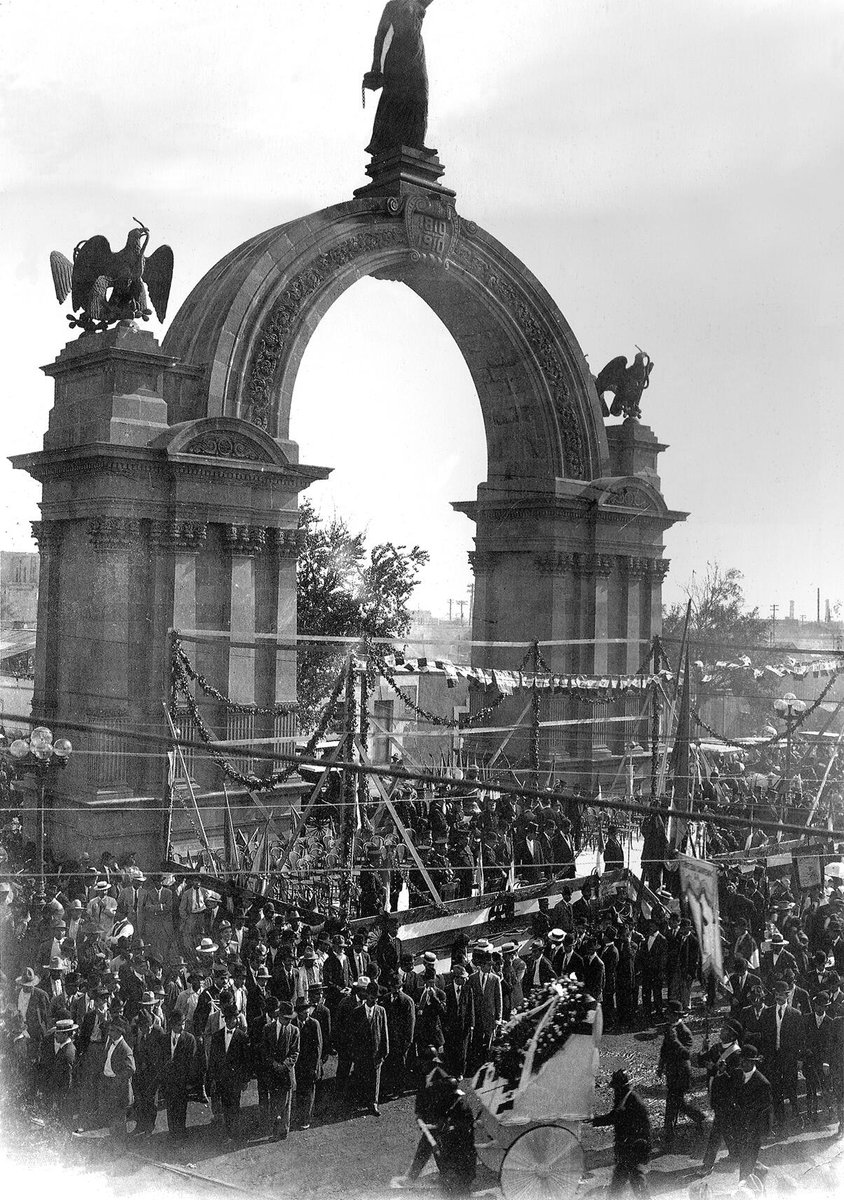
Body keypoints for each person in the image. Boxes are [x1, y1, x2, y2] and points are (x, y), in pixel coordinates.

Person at [363, 0, 437, 161]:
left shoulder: (420, 1)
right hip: (397, 55)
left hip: (416, 55)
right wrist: (376, 64)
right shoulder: (392, 5)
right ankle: (384, 142)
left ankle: (416, 141)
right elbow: (380, 35)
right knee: (395, 97)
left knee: (420, 96)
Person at [592, 1069, 652, 1196]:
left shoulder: (629, 1099)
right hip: (629, 1145)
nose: (614, 1090)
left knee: (631, 1177)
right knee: (624, 1177)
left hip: (633, 1145)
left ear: (620, 1086)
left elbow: (615, 1117)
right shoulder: (627, 1097)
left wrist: (594, 1121)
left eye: (615, 1087)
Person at [657, 1002, 705, 1151]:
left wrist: (675, 1040)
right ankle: (697, 1118)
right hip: (671, 1072)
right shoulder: (669, 1028)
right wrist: (660, 1066)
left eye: (670, 1013)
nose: (667, 1015)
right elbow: (664, 1049)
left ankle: (669, 1134)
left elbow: (686, 1054)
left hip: (682, 1073)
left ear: (676, 1015)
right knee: (677, 1103)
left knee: (673, 1102)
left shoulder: (685, 1032)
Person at [696, 1017, 742, 1174]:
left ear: (732, 1035)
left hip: (727, 1098)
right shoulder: (715, 1048)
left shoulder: (736, 1054)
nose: (721, 1031)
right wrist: (704, 1049)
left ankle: (707, 1164)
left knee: (717, 1130)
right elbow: (702, 1061)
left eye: (725, 1030)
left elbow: (736, 1079)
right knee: (725, 1126)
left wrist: (721, 1071)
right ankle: (736, 1154)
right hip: (715, 1094)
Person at [207, 1003, 251, 1143]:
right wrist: (213, 1078)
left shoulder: (242, 1037)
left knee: (235, 1106)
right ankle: (227, 1133)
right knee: (225, 1106)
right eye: (229, 1019)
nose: (232, 1021)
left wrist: (245, 1080)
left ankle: (234, 1133)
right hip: (222, 1078)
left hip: (236, 1079)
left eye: (234, 1018)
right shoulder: (217, 1036)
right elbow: (213, 1059)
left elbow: (246, 1061)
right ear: (225, 1020)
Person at [349, 979, 389, 1116]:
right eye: (372, 998)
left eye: (377, 998)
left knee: (375, 1079)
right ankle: (361, 1101)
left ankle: (374, 1103)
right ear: (367, 996)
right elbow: (353, 1035)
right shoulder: (357, 1012)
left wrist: (384, 1052)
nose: (375, 1001)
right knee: (362, 1077)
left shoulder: (381, 1011)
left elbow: (384, 1032)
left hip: (376, 1053)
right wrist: (354, 1054)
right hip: (361, 1054)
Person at [734, 1044, 772, 1185]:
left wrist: (760, 1133)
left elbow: (766, 1111)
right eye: (741, 1060)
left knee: (746, 1161)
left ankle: (743, 1190)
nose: (742, 1064)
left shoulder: (762, 1083)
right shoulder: (738, 1076)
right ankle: (760, 1171)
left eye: (746, 1061)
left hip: (754, 1129)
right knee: (746, 1158)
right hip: (741, 1127)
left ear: (753, 1062)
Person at [262, 998, 299, 1139]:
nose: (289, 1021)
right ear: (279, 1016)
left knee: (285, 1104)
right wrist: (273, 1063)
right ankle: (274, 1130)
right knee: (274, 1102)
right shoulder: (267, 1029)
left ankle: (282, 1131)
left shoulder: (294, 1031)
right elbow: (264, 1050)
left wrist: (283, 1065)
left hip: (286, 1073)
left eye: (290, 1018)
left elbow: (295, 1052)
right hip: (272, 1073)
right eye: (286, 1018)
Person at [161, 1010, 198, 1141]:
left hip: (182, 1082)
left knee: (181, 1109)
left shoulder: (189, 1039)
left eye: (183, 1024)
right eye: (178, 1024)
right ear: (171, 1024)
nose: (181, 1027)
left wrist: (190, 1082)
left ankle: (181, 1134)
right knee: (170, 1108)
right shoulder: (164, 1039)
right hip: (169, 1082)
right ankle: (172, 1134)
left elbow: (192, 1063)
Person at [99, 1014, 136, 1141]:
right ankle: (114, 1143)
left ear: (119, 1032)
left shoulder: (125, 1049)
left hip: (119, 1089)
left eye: (112, 1031)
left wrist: (117, 1079)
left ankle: (120, 1149)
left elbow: (131, 1069)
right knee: (112, 1117)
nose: (109, 1033)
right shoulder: (110, 1043)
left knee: (119, 1120)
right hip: (109, 1084)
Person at [293, 996, 323, 1129]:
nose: (307, 1012)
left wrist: (315, 1067)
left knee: (309, 1092)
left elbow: (318, 1047)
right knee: (299, 1092)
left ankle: (306, 1119)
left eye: (307, 1009)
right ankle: (299, 1117)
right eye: (304, 1010)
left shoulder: (314, 1023)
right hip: (297, 1065)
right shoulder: (293, 1024)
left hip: (310, 1065)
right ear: (298, 1012)